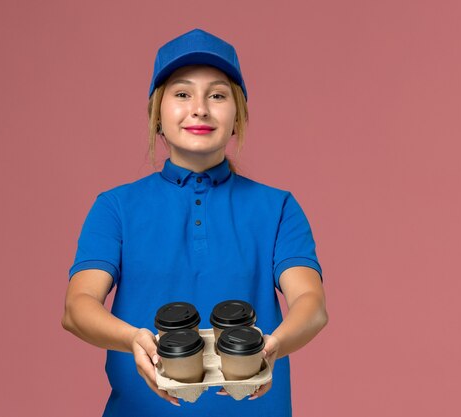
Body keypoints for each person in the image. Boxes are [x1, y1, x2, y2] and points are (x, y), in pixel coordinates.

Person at [62, 28, 328, 417]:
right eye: (182, 94)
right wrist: (133, 339)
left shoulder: (278, 208)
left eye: (217, 95)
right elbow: (77, 307)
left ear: (238, 115)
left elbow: (311, 304)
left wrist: (273, 346)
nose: (200, 108)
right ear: (157, 113)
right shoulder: (116, 207)